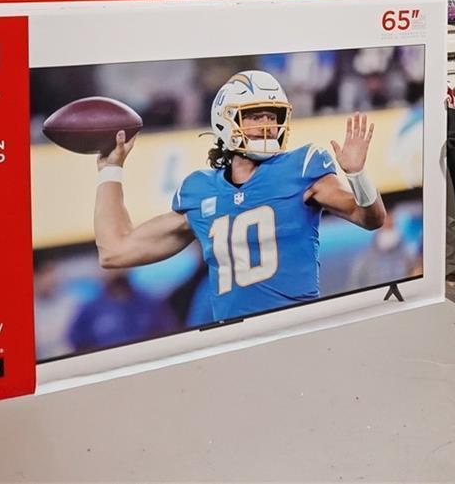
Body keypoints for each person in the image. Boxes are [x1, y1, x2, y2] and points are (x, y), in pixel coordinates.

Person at [92, 69, 386, 322]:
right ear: (225, 120)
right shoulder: (200, 191)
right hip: (234, 341)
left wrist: (357, 176)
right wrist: (110, 170)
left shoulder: (301, 167)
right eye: (255, 116)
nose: (267, 125)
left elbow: (370, 218)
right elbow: (115, 251)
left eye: (272, 116)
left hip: (296, 330)